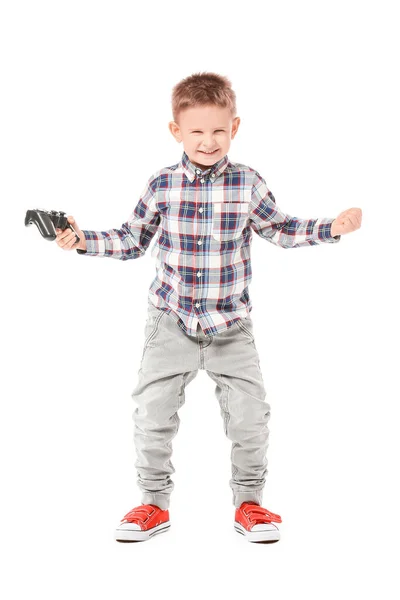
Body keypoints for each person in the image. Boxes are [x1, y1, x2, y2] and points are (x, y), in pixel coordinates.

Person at [55, 72, 362, 544]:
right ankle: (153, 504)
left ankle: (250, 504)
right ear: (176, 131)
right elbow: (131, 239)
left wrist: (331, 228)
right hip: (170, 321)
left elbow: (280, 228)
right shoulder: (161, 184)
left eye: (218, 130)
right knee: (152, 413)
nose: (208, 141)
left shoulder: (248, 182)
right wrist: (81, 241)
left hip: (231, 326)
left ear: (234, 127)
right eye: (196, 131)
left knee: (250, 416)